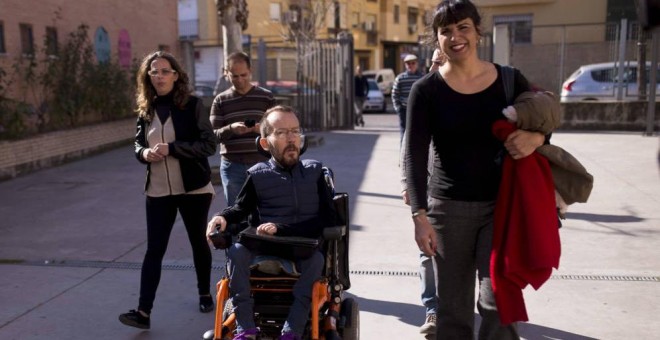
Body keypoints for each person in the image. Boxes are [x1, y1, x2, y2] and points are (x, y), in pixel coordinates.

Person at [404, 1, 550, 339]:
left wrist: (535, 136)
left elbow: (544, 118)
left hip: (502, 207)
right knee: (453, 309)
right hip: (447, 210)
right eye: (446, 31)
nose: (456, 37)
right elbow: (413, 153)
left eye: (463, 27)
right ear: (436, 39)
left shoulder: (510, 80)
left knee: (499, 300)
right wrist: (419, 216)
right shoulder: (425, 90)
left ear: (478, 32)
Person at [206, 105, 337, 340]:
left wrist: (281, 229)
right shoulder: (258, 174)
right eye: (282, 133)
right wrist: (221, 217)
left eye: (295, 131)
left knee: (316, 261)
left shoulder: (315, 172)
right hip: (266, 245)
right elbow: (240, 209)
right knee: (236, 251)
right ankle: (245, 327)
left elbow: (329, 218)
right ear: (265, 143)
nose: (291, 139)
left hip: (303, 246)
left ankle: (292, 331)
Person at [119, 51, 217, 330]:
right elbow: (138, 144)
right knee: (154, 250)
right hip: (158, 190)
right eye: (154, 72)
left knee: (198, 242)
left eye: (165, 71)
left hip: (193, 188)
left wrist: (173, 149)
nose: (159, 76)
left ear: (176, 75)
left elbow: (208, 145)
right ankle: (143, 312)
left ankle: (204, 292)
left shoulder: (193, 105)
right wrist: (145, 153)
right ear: (147, 77)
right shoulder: (145, 108)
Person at [400, 47, 445, 337]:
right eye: (434, 61)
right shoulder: (423, 97)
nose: (437, 67)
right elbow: (408, 148)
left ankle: (455, 309)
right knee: (427, 252)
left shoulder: (470, 96)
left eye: (442, 62)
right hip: (427, 189)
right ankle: (433, 310)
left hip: (461, 193)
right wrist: (407, 185)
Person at [210, 51, 276, 207]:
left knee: (265, 212)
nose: (239, 80)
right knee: (235, 214)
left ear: (250, 71)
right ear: (227, 74)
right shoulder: (221, 100)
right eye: (234, 76)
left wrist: (260, 130)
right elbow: (211, 136)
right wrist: (231, 129)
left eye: (243, 75)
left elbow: (278, 131)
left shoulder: (266, 97)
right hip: (232, 165)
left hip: (263, 163)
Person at [392, 53, 424, 142]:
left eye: (413, 63)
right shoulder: (400, 78)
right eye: (408, 63)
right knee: (404, 133)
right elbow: (395, 94)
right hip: (404, 110)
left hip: (418, 110)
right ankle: (404, 154)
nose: (410, 65)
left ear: (417, 64)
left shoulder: (422, 78)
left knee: (418, 133)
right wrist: (398, 108)